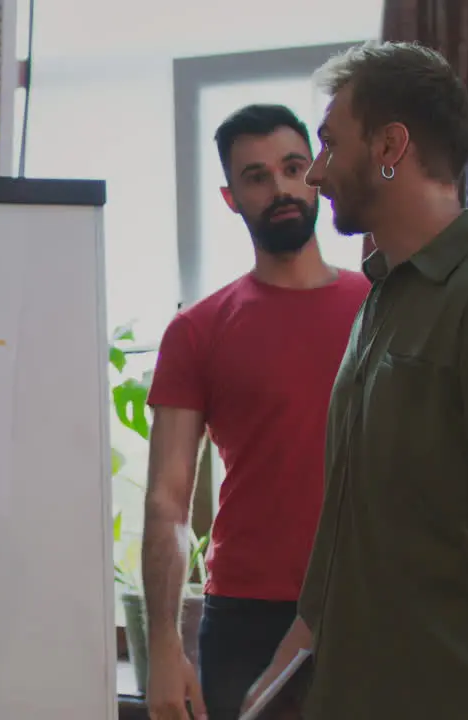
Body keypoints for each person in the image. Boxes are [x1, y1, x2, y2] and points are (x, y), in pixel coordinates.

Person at [243, 41, 468, 720]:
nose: (319, 173)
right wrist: (292, 657)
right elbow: (357, 524)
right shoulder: (383, 297)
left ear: (390, 145)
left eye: (330, 145)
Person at [142, 104, 370, 720]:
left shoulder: (383, 308)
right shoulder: (197, 331)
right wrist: (162, 644)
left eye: (294, 167)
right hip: (247, 617)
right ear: (230, 197)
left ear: (316, 173)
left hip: (371, 605)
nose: (281, 189)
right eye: (257, 176)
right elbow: (168, 500)